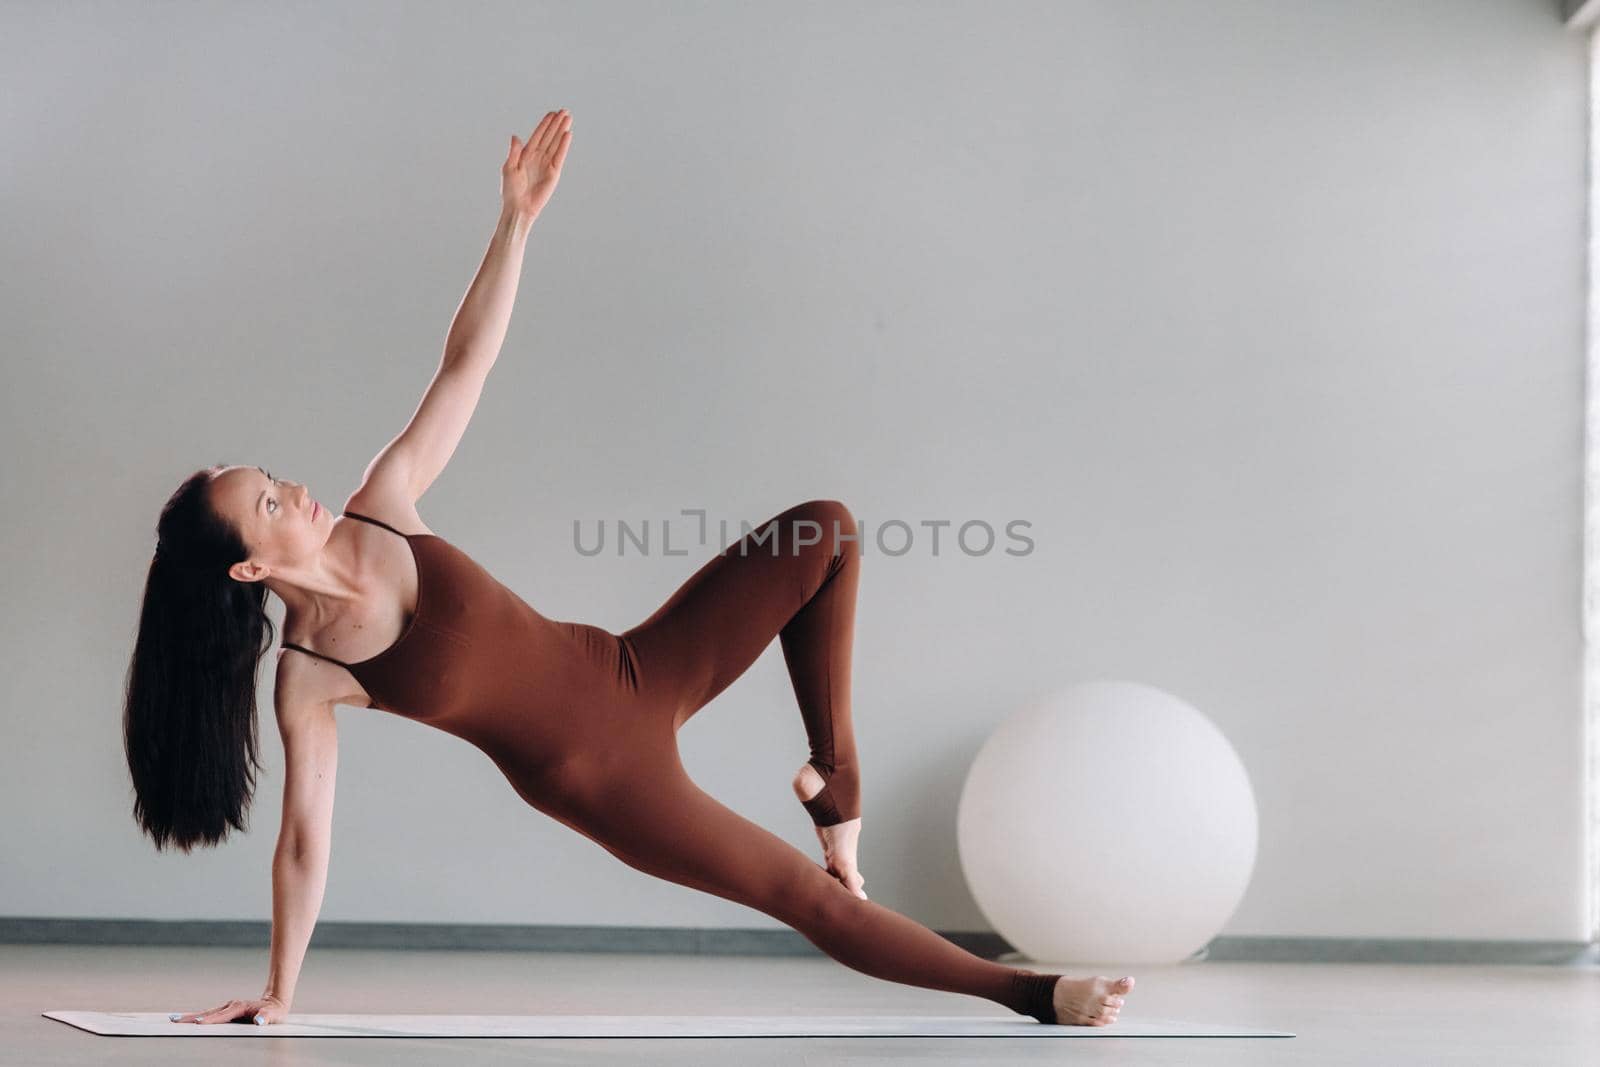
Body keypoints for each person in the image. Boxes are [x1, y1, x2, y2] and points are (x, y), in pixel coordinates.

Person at [124, 110, 1134, 1028]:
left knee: (820, 530)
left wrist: (514, 222)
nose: (291, 487)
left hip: (634, 667)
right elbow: (304, 842)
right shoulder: (313, 674)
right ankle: (1036, 991)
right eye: (266, 502)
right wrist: (279, 993)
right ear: (250, 567)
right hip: (604, 778)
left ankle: (836, 776)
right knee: (803, 896)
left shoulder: (381, 504)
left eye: (273, 475)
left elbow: (463, 363)